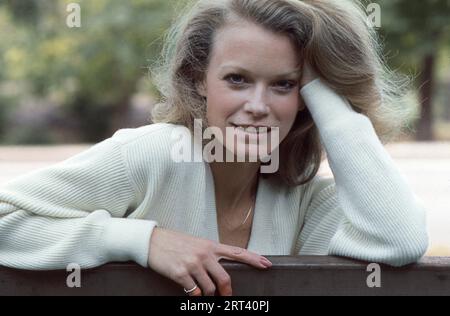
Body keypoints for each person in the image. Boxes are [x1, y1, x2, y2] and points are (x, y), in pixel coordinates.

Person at [0, 0, 428, 297]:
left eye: (284, 84)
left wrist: (328, 96)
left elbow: (400, 240)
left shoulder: (304, 199)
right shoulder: (157, 154)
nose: (257, 107)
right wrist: (145, 241)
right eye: (237, 79)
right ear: (199, 79)